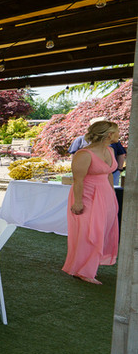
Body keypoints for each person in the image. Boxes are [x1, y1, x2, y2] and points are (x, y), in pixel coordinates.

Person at [62, 120, 120, 284]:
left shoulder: (109, 150)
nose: (119, 134)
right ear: (109, 135)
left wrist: (112, 195)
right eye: (117, 131)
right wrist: (78, 202)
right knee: (89, 232)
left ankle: (85, 267)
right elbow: (78, 180)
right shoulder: (84, 154)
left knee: (102, 231)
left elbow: (109, 173)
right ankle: (83, 271)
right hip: (87, 196)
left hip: (106, 195)